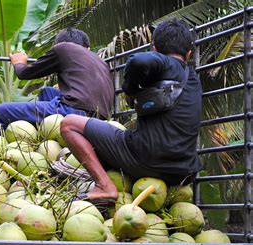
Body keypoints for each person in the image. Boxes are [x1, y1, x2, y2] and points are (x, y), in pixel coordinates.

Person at [60, 19, 202, 202]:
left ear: (155, 48)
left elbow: (138, 60)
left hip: (145, 160)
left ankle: (104, 186)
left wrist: (130, 91)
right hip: (182, 172)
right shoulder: (194, 81)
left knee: (69, 124)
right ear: (189, 53)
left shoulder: (168, 64)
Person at [0, 27, 114, 135]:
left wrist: (18, 62)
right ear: (88, 47)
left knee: (0, 112)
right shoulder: (100, 61)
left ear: (57, 44)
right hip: (100, 118)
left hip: (74, 111)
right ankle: (46, 135)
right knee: (47, 92)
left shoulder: (63, 48)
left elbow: (24, 73)